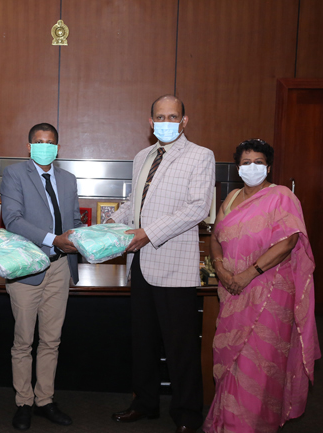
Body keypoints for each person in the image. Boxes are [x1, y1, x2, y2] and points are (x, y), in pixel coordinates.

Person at [109, 95, 215, 433]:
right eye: (159, 116)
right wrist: (108, 226)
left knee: (180, 345)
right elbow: (134, 204)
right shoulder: (142, 156)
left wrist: (148, 233)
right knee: (143, 341)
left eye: (173, 116)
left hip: (174, 266)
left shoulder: (200, 156)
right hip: (140, 265)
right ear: (150, 121)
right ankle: (146, 403)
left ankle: (186, 414)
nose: (166, 122)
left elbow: (198, 207)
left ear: (184, 121)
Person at [203, 139, 320, 433]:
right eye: (245, 162)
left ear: (268, 166)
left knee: (259, 361)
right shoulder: (229, 199)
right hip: (231, 290)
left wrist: (248, 274)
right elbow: (216, 238)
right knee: (232, 359)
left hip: (269, 293)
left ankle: (253, 426)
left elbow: (288, 241)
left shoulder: (281, 197)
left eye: (258, 162)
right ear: (237, 166)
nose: (251, 168)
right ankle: (226, 422)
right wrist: (220, 269)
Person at [0, 123, 81, 431]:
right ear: (29, 145)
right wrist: (53, 238)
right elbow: (13, 219)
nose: (44, 146)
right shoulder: (15, 174)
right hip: (27, 266)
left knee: (51, 339)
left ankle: (44, 400)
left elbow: (73, 220)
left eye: (50, 142)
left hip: (61, 267)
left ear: (57, 147)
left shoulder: (68, 179)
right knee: (23, 340)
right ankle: (23, 401)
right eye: (38, 142)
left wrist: (93, 238)